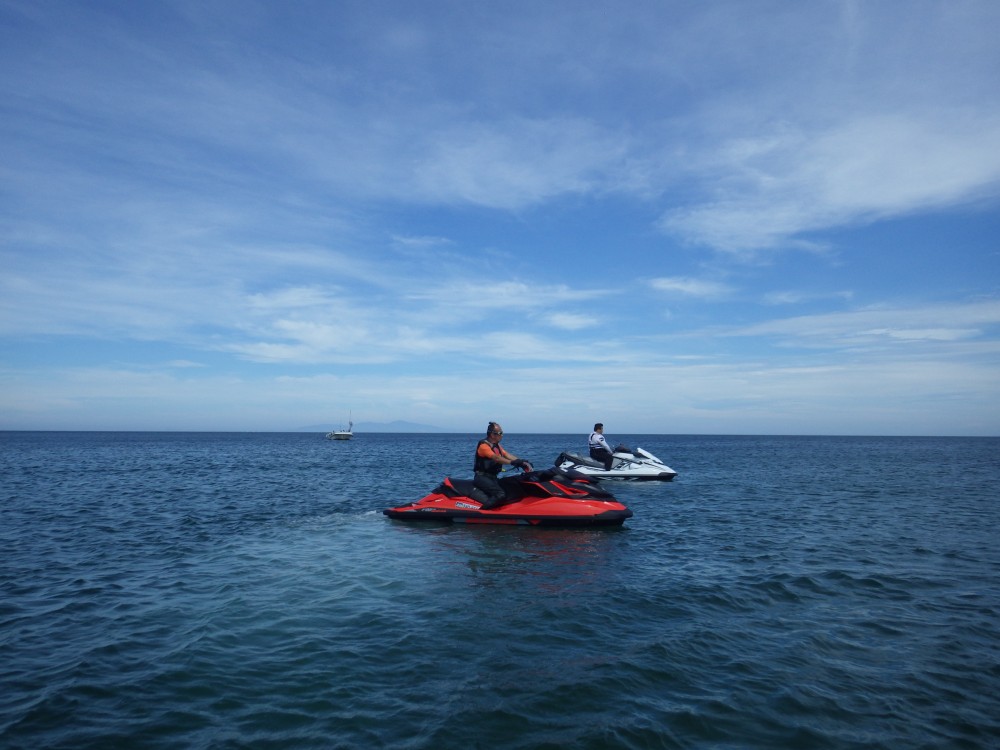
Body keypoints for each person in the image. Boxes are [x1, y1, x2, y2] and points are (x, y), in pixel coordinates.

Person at [473, 422, 533, 509]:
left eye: (502, 433)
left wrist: (522, 462)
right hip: (482, 478)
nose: (502, 435)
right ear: (492, 434)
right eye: (500, 433)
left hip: (492, 477)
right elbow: (496, 458)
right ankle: (481, 513)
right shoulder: (483, 446)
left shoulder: (496, 445)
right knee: (500, 494)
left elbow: (507, 455)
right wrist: (512, 463)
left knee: (511, 487)